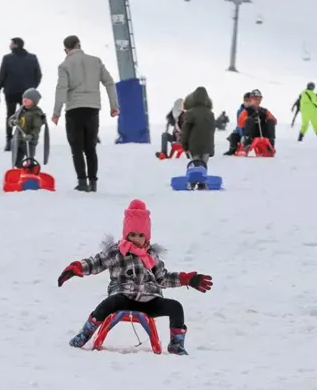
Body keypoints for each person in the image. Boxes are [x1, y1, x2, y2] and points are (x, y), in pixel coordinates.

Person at [57, 199, 213, 355]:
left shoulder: (151, 255)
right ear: (126, 234)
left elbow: (163, 278)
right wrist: (77, 268)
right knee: (108, 303)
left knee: (176, 307)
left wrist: (187, 279)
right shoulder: (118, 252)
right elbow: (96, 262)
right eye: (132, 234)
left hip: (150, 300)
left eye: (140, 235)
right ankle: (85, 334)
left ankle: (176, 344)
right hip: (124, 297)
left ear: (147, 236)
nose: (136, 239)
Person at [52, 35, 120, 192]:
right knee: (90, 147)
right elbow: (109, 82)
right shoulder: (95, 61)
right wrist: (113, 106)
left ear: (65, 50)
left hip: (74, 110)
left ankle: (82, 182)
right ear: (79, 45)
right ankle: (93, 182)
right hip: (92, 108)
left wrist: (56, 112)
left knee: (76, 148)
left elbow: (61, 88)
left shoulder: (64, 65)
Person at [0, 37, 42, 151]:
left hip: (11, 92)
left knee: (10, 115)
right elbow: (39, 75)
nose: (9, 45)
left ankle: (8, 142)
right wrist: (32, 88)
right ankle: (27, 141)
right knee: (28, 116)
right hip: (27, 93)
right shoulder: (32, 58)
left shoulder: (7, 58)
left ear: (15, 45)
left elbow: (2, 76)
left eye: (11, 43)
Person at [179, 86, 216, 177]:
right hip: (207, 145)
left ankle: (195, 181)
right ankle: (202, 181)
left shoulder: (190, 113)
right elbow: (212, 130)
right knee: (203, 166)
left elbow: (185, 130)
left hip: (194, 145)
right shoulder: (210, 114)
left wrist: (184, 144)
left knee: (195, 165)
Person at [10, 88, 46, 167]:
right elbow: (11, 119)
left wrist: (31, 135)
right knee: (17, 160)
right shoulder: (21, 110)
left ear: (34, 101)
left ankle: (31, 172)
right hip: (19, 140)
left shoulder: (36, 114)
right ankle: (20, 173)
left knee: (30, 160)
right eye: (23, 99)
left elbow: (37, 128)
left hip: (29, 142)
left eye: (27, 99)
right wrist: (13, 122)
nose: (24, 101)